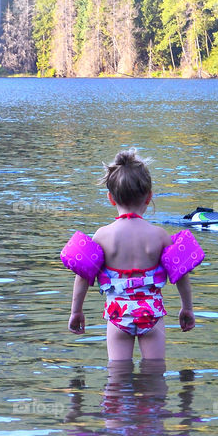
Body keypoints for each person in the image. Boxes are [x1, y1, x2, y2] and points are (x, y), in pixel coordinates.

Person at [64, 150, 198, 362]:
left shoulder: (102, 236)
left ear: (110, 198)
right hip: (151, 315)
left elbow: (82, 277)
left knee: (117, 379)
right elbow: (181, 276)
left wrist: (76, 312)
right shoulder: (159, 235)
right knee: (155, 377)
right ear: (149, 197)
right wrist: (187, 308)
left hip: (118, 316)